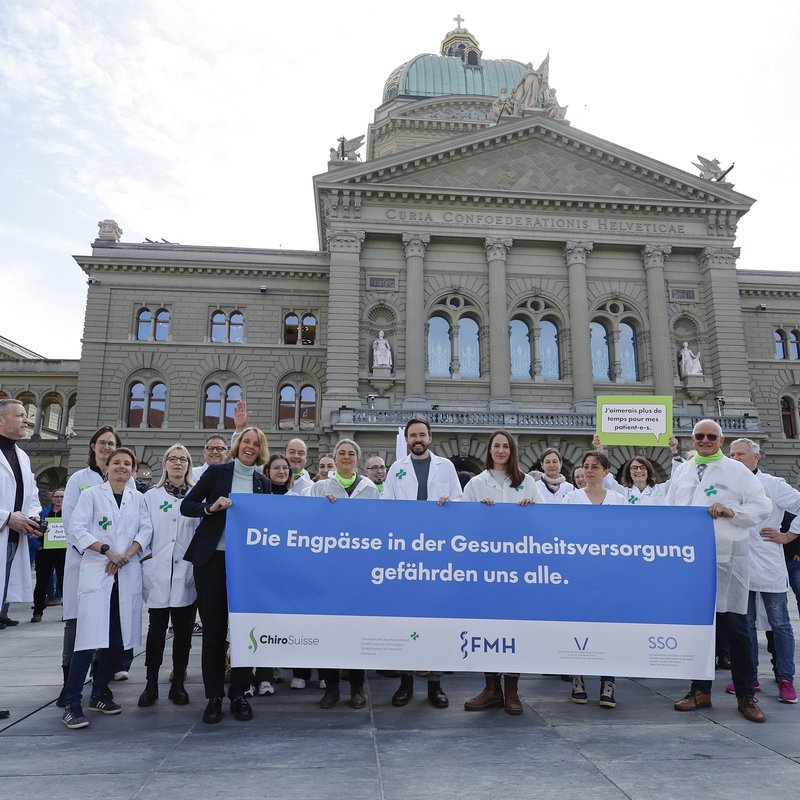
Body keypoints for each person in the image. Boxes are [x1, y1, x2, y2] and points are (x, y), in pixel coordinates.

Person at [667, 420, 772, 723]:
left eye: (711, 436)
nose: (705, 440)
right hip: (691, 561)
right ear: (692, 439)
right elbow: (671, 509)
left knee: (737, 630)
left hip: (727, 560)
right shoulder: (683, 471)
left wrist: (732, 511)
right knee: (700, 630)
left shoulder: (736, 471)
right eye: (700, 436)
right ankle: (699, 691)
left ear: (721, 440)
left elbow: (762, 505)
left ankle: (746, 695)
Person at [180, 426, 272, 725]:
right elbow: (187, 506)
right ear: (238, 445)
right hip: (212, 561)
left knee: (245, 630)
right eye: (246, 441)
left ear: (261, 450)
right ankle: (214, 696)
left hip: (246, 565)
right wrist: (211, 508)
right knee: (214, 630)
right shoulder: (217, 473)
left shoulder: (263, 483)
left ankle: (239, 693)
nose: (250, 447)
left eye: (256, 443)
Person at [61, 447, 152, 729]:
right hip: (99, 571)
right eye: (116, 463)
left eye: (127, 463)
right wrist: (107, 551)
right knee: (87, 641)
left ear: (133, 470)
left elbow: (146, 530)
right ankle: (72, 703)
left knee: (117, 640)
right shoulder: (91, 495)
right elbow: (77, 529)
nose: (121, 467)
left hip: (126, 573)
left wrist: (126, 555)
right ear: (107, 468)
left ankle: (99, 692)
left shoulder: (139, 499)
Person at [462, 430, 545, 715]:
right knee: (487, 625)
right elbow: (463, 527)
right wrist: (478, 513)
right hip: (485, 568)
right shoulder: (476, 484)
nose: (500, 450)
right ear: (489, 450)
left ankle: (511, 689)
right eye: (496, 446)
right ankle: (490, 688)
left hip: (518, 568)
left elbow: (544, 521)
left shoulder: (528, 482)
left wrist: (531, 510)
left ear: (512, 451)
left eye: (505, 446)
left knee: (514, 626)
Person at [382, 417, 462, 709]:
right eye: (413, 435)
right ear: (407, 439)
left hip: (437, 552)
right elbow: (387, 508)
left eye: (422, 435)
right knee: (407, 616)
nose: (417, 439)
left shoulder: (446, 467)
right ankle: (405, 683)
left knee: (436, 616)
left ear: (430, 438)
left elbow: (460, 502)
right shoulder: (397, 469)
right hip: (406, 553)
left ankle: (435, 684)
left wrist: (448, 504)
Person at [726, 438, 800, 704]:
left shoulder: (773, 484)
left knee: (780, 624)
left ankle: (785, 678)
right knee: (744, 625)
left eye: (741, 454)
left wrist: (788, 535)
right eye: (732, 454)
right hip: (739, 563)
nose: (735, 459)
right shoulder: (726, 486)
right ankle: (749, 676)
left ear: (756, 457)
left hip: (768, 563)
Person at [310, 438, 379, 709]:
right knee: (327, 630)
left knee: (356, 631)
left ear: (357, 460)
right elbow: (306, 525)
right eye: (342, 453)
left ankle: (357, 688)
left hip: (358, 571)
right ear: (335, 458)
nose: (346, 457)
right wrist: (322, 510)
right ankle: (331, 688)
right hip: (327, 570)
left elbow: (376, 527)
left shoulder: (370, 489)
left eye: (351, 453)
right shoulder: (319, 488)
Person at [58, 426, 122, 707]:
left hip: (113, 566)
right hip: (84, 560)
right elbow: (71, 523)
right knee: (76, 623)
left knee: (107, 623)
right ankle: (68, 683)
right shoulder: (78, 480)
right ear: (93, 446)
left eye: (112, 443)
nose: (107, 447)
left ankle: (99, 683)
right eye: (102, 442)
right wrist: (95, 552)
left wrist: (115, 555)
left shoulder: (126, 481)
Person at [138, 444, 199, 708]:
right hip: (158, 573)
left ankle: (178, 684)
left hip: (186, 572)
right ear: (165, 464)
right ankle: (150, 684)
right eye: (172, 459)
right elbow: (143, 531)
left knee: (184, 632)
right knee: (156, 631)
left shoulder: (196, 497)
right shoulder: (151, 497)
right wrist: (146, 561)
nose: (177, 463)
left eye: (183, 459)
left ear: (188, 465)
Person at [564, 450, 625, 709]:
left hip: (609, 573)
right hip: (579, 571)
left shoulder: (619, 500)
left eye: (595, 467)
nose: (589, 471)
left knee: (608, 626)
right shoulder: (571, 498)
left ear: (606, 472)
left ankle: (608, 682)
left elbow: (627, 534)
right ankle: (577, 677)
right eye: (586, 466)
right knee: (578, 624)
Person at [0, 399, 41, 719]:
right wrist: (5, 517)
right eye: (21, 415)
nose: (26, 420)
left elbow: (31, 495)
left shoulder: (22, 456)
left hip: (12, 543)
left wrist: (34, 516)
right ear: (1, 420)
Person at [31, 488, 66, 622]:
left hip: (63, 552)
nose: (59, 499)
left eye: (62, 497)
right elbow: (33, 529)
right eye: (56, 497)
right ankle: (37, 611)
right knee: (41, 582)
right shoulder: (43, 513)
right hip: (44, 552)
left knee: (65, 582)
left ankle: (67, 612)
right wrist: (37, 545)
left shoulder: (69, 513)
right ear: (52, 498)